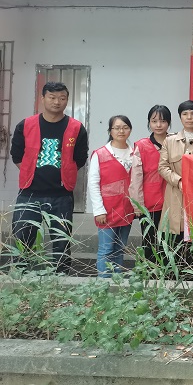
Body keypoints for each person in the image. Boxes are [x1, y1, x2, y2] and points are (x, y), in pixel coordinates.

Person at [10, 81, 88, 273]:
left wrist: (65, 173)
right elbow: (17, 156)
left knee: (61, 243)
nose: (57, 102)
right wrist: (31, 172)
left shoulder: (76, 128)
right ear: (42, 98)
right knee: (22, 241)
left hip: (61, 196)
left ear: (67, 100)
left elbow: (80, 158)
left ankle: (61, 279)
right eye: (52, 97)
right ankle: (20, 277)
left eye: (62, 98)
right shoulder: (26, 125)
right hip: (29, 194)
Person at [158, 101, 193, 259]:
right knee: (175, 242)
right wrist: (179, 181)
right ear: (180, 117)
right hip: (176, 195)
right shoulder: (170, 141)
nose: (189, 117)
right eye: (185, 114)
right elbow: (162, 167)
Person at [88, 115, 135, 278]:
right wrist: (98, 210)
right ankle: (104, 283)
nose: (121, 131)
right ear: (110, 131)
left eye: (125, 127)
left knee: (119, 248)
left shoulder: (135, 153)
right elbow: (93, 183)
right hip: (107, 210)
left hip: (127, 209)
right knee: (106, 249)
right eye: (117, 128)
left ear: (130, 130)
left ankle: (117, 282)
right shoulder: (100, 154)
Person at [129, 105, 171, 264]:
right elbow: (136, 177)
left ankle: (169, 274)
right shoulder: (141, 145)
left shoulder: (175, 142)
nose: (158, 125)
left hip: (172, 201)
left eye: (163, 121)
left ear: (169, 123)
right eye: (154, 121)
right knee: (150, 242)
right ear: (149, 123)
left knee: (171, 242)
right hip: (149, 203)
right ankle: (150, 273)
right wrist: (138, 205)